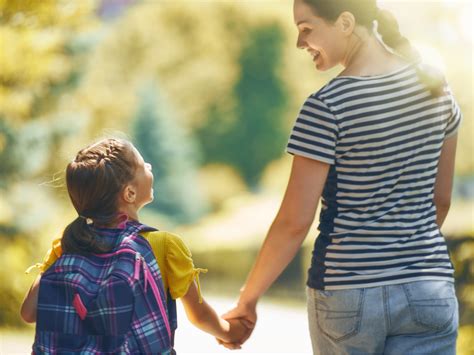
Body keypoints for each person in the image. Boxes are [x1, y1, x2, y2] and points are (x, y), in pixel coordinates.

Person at [221, 0, 462, 354]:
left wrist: (247, 300)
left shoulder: (327, 106)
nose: (299, 43)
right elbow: (440, 200)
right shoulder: (435, 89)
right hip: (429, 288)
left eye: (306, 29)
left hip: (347, 294)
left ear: (346, 22)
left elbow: (293, 222)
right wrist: (403, 255)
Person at [21, 138, 248, 353]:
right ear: (129, 193)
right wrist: (230, 332)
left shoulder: (68, 243)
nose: (149, 165)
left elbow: (28, 312)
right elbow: (199, 316)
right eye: (142, 166)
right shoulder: (164, 245)